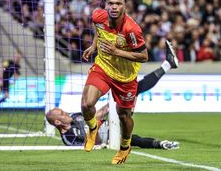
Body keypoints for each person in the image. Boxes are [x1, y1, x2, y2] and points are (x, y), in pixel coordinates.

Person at [46, 46, 179, 150]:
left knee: (135, 89)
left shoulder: (75, 117)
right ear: (58, 122)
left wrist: (109, 107)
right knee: (132, 137)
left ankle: (167, 64)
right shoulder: (69, 138)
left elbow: (97, 115)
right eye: (62, 114)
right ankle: (162, 144)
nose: (66, 113)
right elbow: (92, 144)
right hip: (109, 137)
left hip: (112, 122)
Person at [81, 0, 148, 165]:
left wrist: (116, 51)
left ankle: (125, 147)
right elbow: (99, 29)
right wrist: (94, 45)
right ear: (105, 5)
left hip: (125, 77)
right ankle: (93, 128)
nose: (114, 7)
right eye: (110, 3)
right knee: (86, 104)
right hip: (103, 67)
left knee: (123, 115)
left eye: (118, 4)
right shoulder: (98, 16)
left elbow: (144, 56)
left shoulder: (131, 29)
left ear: (125, 6)